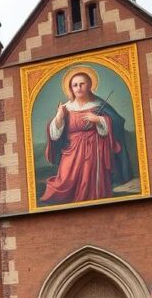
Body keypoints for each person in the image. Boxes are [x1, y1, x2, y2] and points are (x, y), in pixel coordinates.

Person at [39, 68, 132, 205]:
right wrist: (59, 116)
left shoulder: (99, 105)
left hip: (94, 148)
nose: (79, 88)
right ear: (71, 88)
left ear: (89, 85)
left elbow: (116, 122)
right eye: (75, 85)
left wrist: (98, 120)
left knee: (90, 178)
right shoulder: (66, 108)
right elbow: (55, 133)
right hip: (72, 149)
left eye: (82, 84)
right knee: (65, 179)